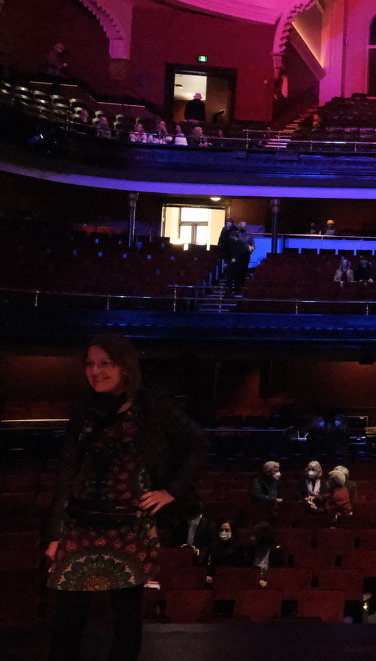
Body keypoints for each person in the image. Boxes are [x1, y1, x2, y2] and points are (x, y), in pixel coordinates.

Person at [44, 334, 208, 661]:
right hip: (79, 522)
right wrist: (55, 532)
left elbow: (199, 444)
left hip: (129, 525)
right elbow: (68, 470)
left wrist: (172, 491)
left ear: (125, 366)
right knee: (67, 617)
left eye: (105, 363)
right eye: (90, 364)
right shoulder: (83, 407)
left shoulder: (152, 403)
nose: (96, 371)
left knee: (125, 615)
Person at [225, 220, 255, 296]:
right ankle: (234, 289)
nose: (241, 227)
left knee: (243, 271)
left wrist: (251, 248)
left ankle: (239, 287)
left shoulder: (249, 234)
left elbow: (252, 245)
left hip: (245, 255)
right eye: (241, 226)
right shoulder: (236, 234)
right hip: (237, 255)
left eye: (243, 226)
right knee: (236, 273)